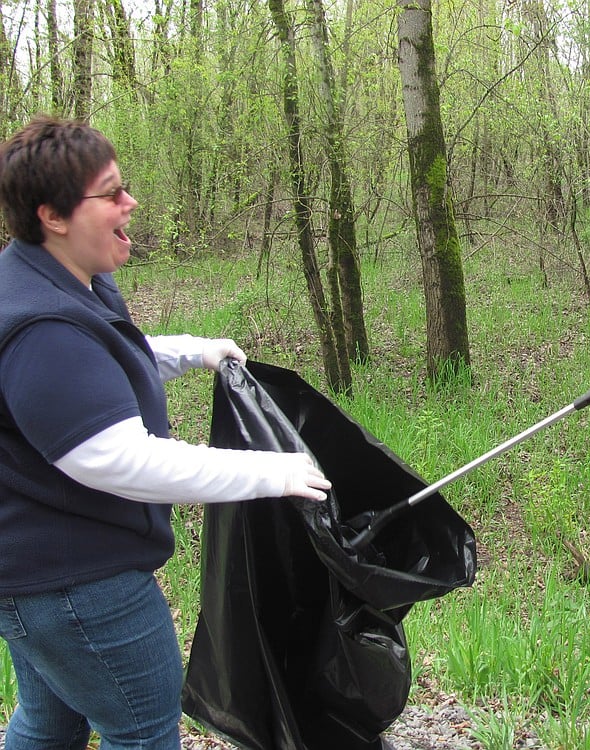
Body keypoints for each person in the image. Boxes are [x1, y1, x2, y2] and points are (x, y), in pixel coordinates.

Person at [0, 116, 333, 750]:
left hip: (34, 580)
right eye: (111, 193)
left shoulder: (59, 281)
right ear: (54, 216)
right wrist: (270, 472)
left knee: (47, 726)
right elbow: (119, 459)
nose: (130, 203)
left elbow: (98, 364)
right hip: (77, 587)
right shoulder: (38, 326)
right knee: (144, 729)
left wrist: (191, 351)